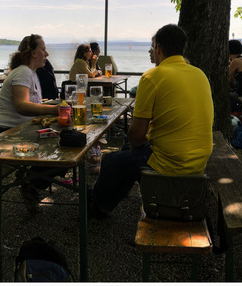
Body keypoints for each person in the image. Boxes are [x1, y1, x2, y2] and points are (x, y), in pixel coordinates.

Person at [90, 24, 213, 218]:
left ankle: (96, 206)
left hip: (170, 162)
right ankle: (104, 205)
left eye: (152, 45)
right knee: (126, 154)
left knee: (111, 161)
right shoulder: (200, 74)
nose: (150, 51)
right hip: (198, 159)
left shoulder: (152, 76)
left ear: (159, 48)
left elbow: (137, 135)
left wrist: (137, 145)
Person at [0, 35, 63, 205]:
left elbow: (31, 104)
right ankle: (31, 182)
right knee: (63, 150)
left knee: (66, 145)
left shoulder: (29, 73)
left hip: (19, 130)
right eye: (43, 49)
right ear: (33, 53)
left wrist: (54, 104)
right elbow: (21, 106)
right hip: (6, 133)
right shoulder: (23, 72)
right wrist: (54, 110)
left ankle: (30, 180)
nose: (47, 54)